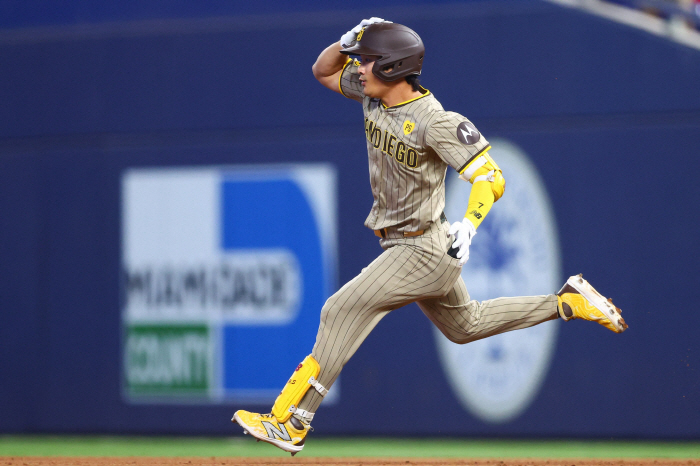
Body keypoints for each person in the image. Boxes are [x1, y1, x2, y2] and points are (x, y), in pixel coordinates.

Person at [232, 18, 628, 456]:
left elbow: (490, 177)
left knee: (339, 309)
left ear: (391, 66)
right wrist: (348, 40)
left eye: (367, 60)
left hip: (423, 246)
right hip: (409, 242)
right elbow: (323, 71)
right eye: (360, 59)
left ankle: (293, 421)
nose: (358, 66)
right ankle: (567, 302)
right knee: (465, 326)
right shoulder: (370, 96)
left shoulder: (435, 120)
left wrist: (471, 224)